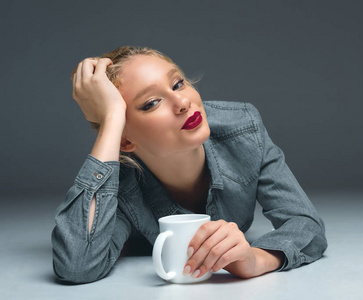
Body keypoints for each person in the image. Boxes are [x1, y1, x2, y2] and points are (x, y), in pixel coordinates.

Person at [51, 46, 327, 284]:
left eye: (178, 84)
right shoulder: (121, 185)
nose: (183, 103)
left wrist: (255, 261)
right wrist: (110, 121)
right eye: (151, 103)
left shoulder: (242, 128)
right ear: (124, 140)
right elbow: (76, 265)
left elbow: (305, 224)